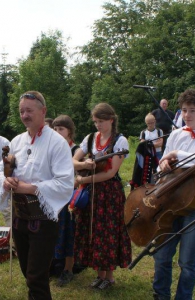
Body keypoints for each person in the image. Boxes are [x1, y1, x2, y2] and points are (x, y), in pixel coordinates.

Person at [0, 91, 74, 300]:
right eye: (22, 111)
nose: (25, 115)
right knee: (28, 274)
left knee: (36, 277)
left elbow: (65, 182)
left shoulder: (57, 143)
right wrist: (6, 180)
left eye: (29, 110)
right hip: (19, 216)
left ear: (43, 111)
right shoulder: (17, 141)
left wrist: (30, 188)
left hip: (43, 219)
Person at [153, 89, 195, 300]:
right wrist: (164, 163)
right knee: (162, 255)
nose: (187, 115)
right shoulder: (175, 134)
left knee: (187, 262)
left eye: (192, 110)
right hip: (170, 200)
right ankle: (160, 296)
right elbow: (162, 163)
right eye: (184, 110)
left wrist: (177, 154)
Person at [72, 103, 131, 290]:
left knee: (108, 232)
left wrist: (84, 179)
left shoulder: (120, 141)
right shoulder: (90, 139)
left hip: (110, 195)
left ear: (111, 120)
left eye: (101, 121)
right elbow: (73, 160)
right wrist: (84, 164)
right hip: (92, 194)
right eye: (96, 121)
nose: (98, 125)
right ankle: (99, 274)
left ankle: (109, 276)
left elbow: (111, 173)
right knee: (93, 232)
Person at [52, 115, 79, 287]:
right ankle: (56, 264)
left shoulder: (76, 149)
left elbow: (80, 176)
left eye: (61, 129)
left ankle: (68, 269)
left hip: (71, 198)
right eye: (55, 129)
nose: (57, 132)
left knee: (70, 234)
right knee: (55, 233)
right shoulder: (53, 147)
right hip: (55, 198)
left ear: (69, 131)